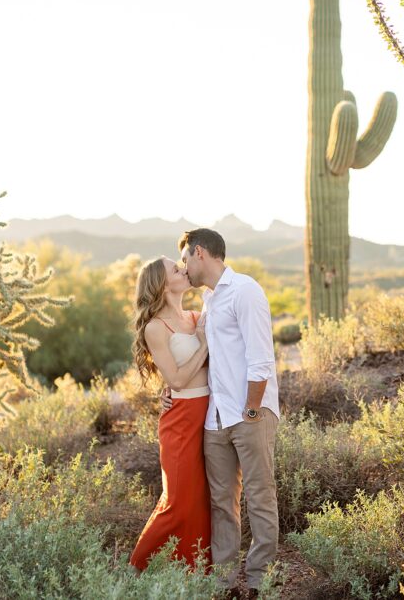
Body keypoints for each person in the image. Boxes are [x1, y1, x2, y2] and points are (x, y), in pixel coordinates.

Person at [161, 227, 280, 594]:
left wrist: (250, 411)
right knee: (221, 504)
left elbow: (261, 360)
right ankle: (225, 582)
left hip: (249, 414)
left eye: (184, 260)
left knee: (260, 496)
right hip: (215, 419)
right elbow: (205, 355)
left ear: (199, 253)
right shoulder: (210, 301)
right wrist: (169, 390)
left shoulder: (244, 290)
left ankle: (259, 580)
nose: (184, 269)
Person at [129, 256, 213, 573]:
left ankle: (196, 574)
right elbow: (176, 379)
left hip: (209, 414)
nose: (183, 269)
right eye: (175, 269)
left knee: (200, 501)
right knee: (177, 501)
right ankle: (134, 571)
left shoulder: (195, 316)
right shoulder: (155, 328)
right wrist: (204, 346)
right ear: (163, 285)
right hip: (180, 421)